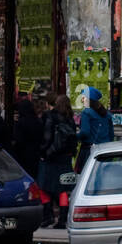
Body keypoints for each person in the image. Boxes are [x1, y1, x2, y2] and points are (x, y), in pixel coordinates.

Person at [40, 94, 77, 228]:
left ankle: (48, 215)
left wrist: (43, 152)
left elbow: (47, 136)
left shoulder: (50, 116)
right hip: (66, 157)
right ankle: (62, 219)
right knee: (63, 188)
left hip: (51, 157)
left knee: (43, 185)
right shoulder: (70, 119)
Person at [76, 87, 114, 173]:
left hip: (90, 151)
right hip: (106, 150)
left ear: (89, 99)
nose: (82, 100)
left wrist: (73, 136)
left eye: (83, 97)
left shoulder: (86, 112)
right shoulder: (106, 114)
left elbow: (85, 132)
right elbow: (111, 135)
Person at [11, 96, 43, 178]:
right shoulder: (38, 121)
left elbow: (17, 139)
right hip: (35, 154)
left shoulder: (20, 123)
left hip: (23, 155)